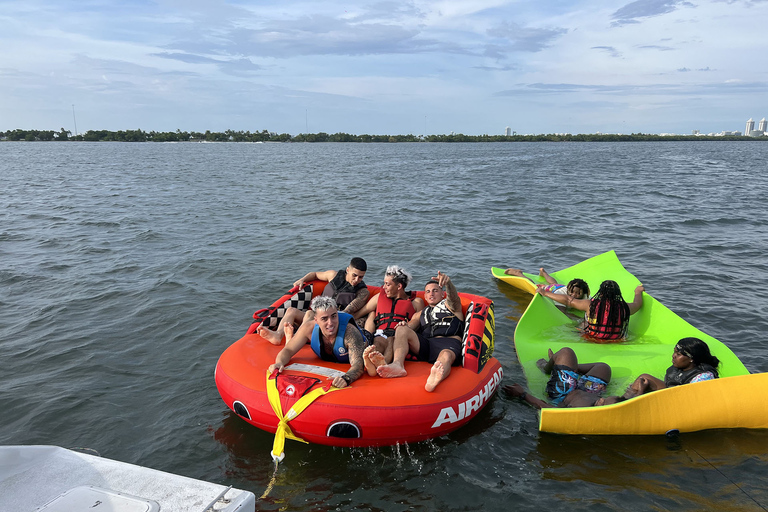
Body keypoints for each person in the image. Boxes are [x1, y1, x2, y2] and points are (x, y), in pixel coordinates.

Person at [373, 272, 466, 392]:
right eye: (428, 292)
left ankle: (436, 377)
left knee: (446, 355)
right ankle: (398, 364)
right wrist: (404, 325)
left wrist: (448, 284)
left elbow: (453, 298)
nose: (431, 294)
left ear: (443, 294)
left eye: (435, 291)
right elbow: (410, 326)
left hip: (448, 342)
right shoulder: (420, 313)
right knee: (401, 329)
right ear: (425, 297)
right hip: (427, 345)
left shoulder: (452, 306)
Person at [258, 258, 369, 345]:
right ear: (348, 270)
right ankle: (278, 335)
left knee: (309, 313)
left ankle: (294, 341)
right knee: (292, 310)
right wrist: (302, 279)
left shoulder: (362, 292)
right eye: (354, 275)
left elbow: (347, 311)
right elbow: (315, 274)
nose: (356, 280)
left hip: (331, 323)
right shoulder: (333, 275)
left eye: (361, 277)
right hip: (315, 316)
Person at [267, 296, 366, 388]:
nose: (330, 323)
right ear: (316, 320)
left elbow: (358, 364)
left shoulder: (350, 333)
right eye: (324, 319)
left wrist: (346, 378)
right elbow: (288, 350)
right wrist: (279, 362)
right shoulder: (309, 328)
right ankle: (288, 336)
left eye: (334, 316)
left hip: (363, 341)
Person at [503, 347, 624, 408]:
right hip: (590, 390)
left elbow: (549, 409)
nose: (603, 400)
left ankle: (549, 367)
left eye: (602, 404)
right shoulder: (601, 400)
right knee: (604, 367)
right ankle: (564, 365)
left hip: (564, 393)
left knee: (566, 352)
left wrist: (522, 394)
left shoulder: (581, 411)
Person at [354, 265, 424, 365]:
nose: (384, 287)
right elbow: (361, 312)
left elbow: (418, 323)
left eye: (387, 284)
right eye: (384, 284)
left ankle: (383, 363)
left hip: (400, 336)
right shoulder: (379, 297)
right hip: (380, 333)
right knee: (377, 343)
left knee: (392, 341)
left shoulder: (416, 302)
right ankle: (371, 360)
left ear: (399, 286)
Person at [537, 279, 644, 340]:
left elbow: (567, 300)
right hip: (616, 340)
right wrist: (637, 292)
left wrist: (545, 293)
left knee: (582, 324)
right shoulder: (624, 307)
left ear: (601, 293)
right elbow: (637, 304)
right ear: (617, 294)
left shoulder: (590, 305)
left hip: (592, 339)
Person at [622, 337, 720, 399]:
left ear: (691, 359)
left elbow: (691, 401)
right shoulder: (682, 367)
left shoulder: (703, 378)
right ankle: (622, 401)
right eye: (674, 352)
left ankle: (629, 404)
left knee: (642, 389)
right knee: (643, 378)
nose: (674, 356)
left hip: (680, 403)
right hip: (671, 393)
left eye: (678, 354)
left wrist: (641, 392)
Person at [504, 267, 590, 300]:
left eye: (578, 293)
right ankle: (519, 273)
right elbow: (561, 311)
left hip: (560, 287)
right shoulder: (560, 295)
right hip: (552, 289)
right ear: (568, 290)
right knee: (533, 285)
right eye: (572, 292)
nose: (574, 295)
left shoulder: (586, 296)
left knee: (554, 282)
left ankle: (543, 272)